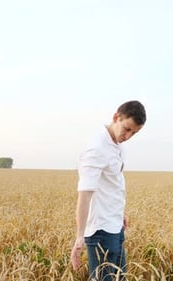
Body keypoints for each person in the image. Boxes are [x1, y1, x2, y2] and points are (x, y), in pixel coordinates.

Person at [70, 100, 146, 280]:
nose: (128, 136)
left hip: (116, 226)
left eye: (134, 133)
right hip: (101, 231)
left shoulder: (118, 146)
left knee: (120, 278)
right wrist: (79, 237)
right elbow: (85, 194)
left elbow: (114, 183)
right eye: (127, 129)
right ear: (116, 117)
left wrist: (120, 212)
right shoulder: (96, 148)